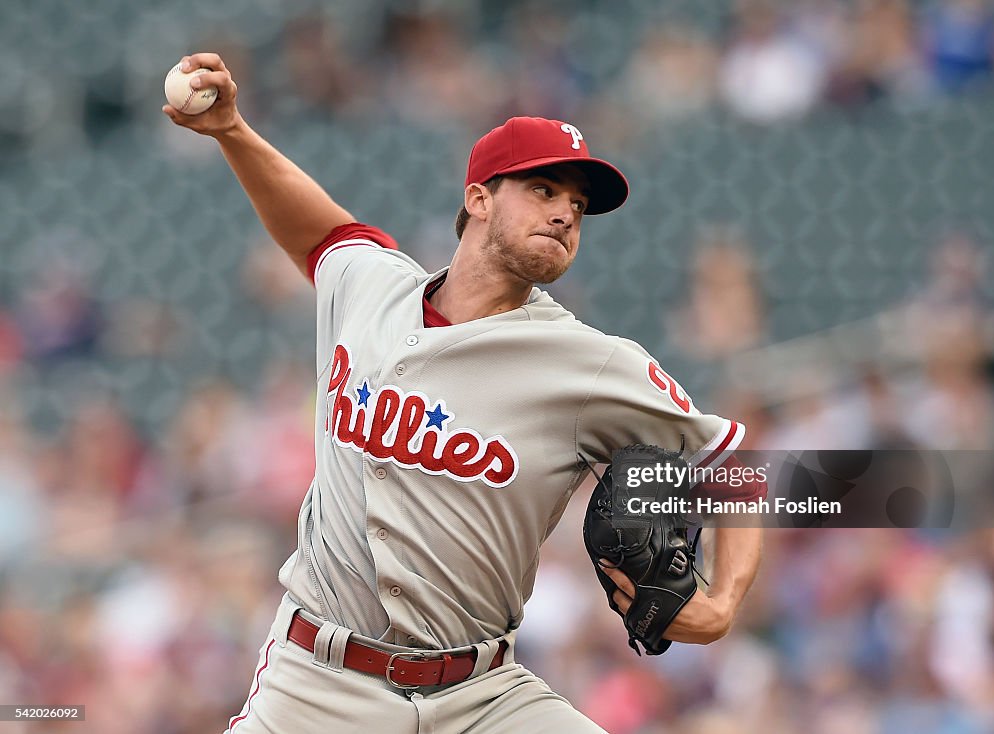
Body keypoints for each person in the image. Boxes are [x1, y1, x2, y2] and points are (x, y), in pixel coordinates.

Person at [164, 52, 764, 734]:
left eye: (578, 204)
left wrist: (722, 604)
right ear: (478, 196)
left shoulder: (587, 363)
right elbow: (320, 231)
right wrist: (233, 131)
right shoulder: (370, 287)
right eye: (543, 189)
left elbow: (736, 467)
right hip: (318, 686)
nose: (567, 213)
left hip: (483, 696)